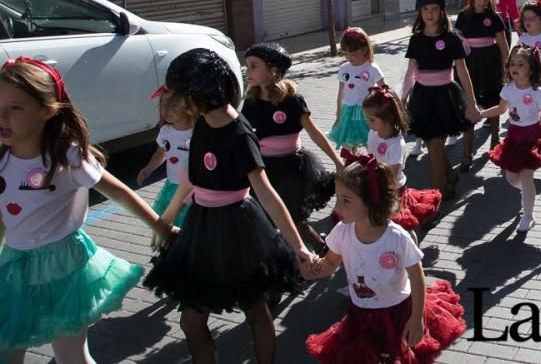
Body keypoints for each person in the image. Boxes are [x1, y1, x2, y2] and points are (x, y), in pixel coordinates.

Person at [143, 48, 314, 364]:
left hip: (239, 229)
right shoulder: (204, 123)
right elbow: (191, 179)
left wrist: (299, 246)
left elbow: (266, 193)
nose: (174, 103)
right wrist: (165, 220)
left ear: (196, 95)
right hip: (203, 224)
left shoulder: (239, 132)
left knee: (255, 310)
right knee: (192, 319)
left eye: (178, 95)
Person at [0, 58, 172, 363]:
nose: (2, 116)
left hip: (63, 264)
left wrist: (160, 226)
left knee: (71, 356)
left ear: (47, 110)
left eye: (14, 108)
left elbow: (119, 192)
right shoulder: (2, 158)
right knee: (7, 349)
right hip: (14, 265)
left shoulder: (67, 157)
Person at [304, 156, 465, 363]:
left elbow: (416, 277)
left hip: (397, 311)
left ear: (371, 200)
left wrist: (416, 319)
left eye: (346, 200)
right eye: (337, 198)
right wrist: (315, 268)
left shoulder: (395, 237)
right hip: (360, 312)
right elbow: (331, 263)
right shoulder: (342, 231)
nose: (337, 207)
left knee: (396, 356)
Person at [243, 42, 342, 253]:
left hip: (291, 169)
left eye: (254, 66)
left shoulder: (292, 101)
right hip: (263, 168)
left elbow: (315, 133)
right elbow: (243, 137)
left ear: (272, 70)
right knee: (265, 218)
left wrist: (337, 160)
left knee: (292, 218)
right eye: (247, 66)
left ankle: (321, 249)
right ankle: (284, 257)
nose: (247, 71)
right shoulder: (250, 102)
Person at [401, 0, 479, 200]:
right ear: (419, 12)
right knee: (432, 145)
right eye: (425, 9)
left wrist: (471, 103)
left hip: (446, 97)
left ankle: (434, 200)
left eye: (434, 9)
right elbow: (411, 71)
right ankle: (451, 175)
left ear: (442, 11)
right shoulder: (415, 39)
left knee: (435, 147)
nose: (429, 13)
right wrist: (402, 98)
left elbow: (462, 72)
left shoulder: (452, 39)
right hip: (423, 97)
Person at [483, 46, 541, 232]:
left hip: (533, 138)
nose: (515, 67)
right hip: (514, 138)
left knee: (526, 176)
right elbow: (500, 110)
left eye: (521, 64)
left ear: (531, 68)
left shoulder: (537, 92)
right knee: (511, 177)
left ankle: (528, 215)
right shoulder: (508, 89)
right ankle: (526, 192)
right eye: (512, 64)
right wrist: (480, 114)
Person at [363, 85, 441, 230]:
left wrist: (375, 188)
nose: (368, 123)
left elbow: (391, 175)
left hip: (392, 191)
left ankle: (408, 246)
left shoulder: (396, 145)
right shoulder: (372, 134)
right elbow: (370, 156)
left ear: (388, 118)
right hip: (375, 185)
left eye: (372, 120)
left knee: (399, 226)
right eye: (367, 119)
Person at [455, 0, 510, 171]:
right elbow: (457, 39)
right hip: (469, 65)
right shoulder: (463, 16)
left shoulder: (494, 18)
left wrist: (507, 69)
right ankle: (467, 153)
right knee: (468, 106)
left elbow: (503, 45)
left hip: (490, 63)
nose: (483, 1)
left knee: (492, 101)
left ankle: (495, 139)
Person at [137, 91, 195, 228]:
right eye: (163, 105)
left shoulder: (195, 132)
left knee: (186, 224)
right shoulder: (166, 131)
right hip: (171, 183)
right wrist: (148, 169)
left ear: (188, 108)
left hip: (190, 188)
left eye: (173, 106)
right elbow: (160, 153)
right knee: (166, 220)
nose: (166, 110)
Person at [328, 28, 387, 150]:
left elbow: (384, 91)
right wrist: (338, 116)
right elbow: (341, 93)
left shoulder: (372, 68)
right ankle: (350, 166)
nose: (349, 57)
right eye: (345, 53)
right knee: (347, 144)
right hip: (348, 112)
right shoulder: (344, 68)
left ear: (365, 49)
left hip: (368, 112)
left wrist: (385, 114)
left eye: (353, 53)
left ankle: (373, 167)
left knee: (370, 143)